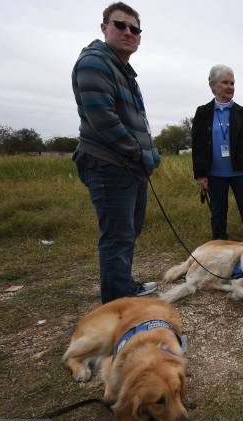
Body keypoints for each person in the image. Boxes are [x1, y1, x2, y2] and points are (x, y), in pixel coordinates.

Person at [71, 2, 160, 303]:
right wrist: (138, 152)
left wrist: (152, 152)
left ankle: (123, 286)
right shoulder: (94, 62)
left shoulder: (125, 72)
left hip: (131, 166)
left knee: (129, 231)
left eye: (134, 29)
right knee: (117, 237)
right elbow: (102, 117)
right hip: (109, 165)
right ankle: (117, 303)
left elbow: (139, 123)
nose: (128, 32)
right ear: (104, 27)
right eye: (120, 25)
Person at [191, 65, 243, 240]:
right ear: (213, 84)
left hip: (241, 172)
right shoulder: (203, 112)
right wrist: (200, 174)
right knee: (218, 213)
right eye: (225, 82)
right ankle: (218, 248)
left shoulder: (242, 113)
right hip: (215, 174)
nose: (230, 87)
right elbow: (198, 145)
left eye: (232, 83)